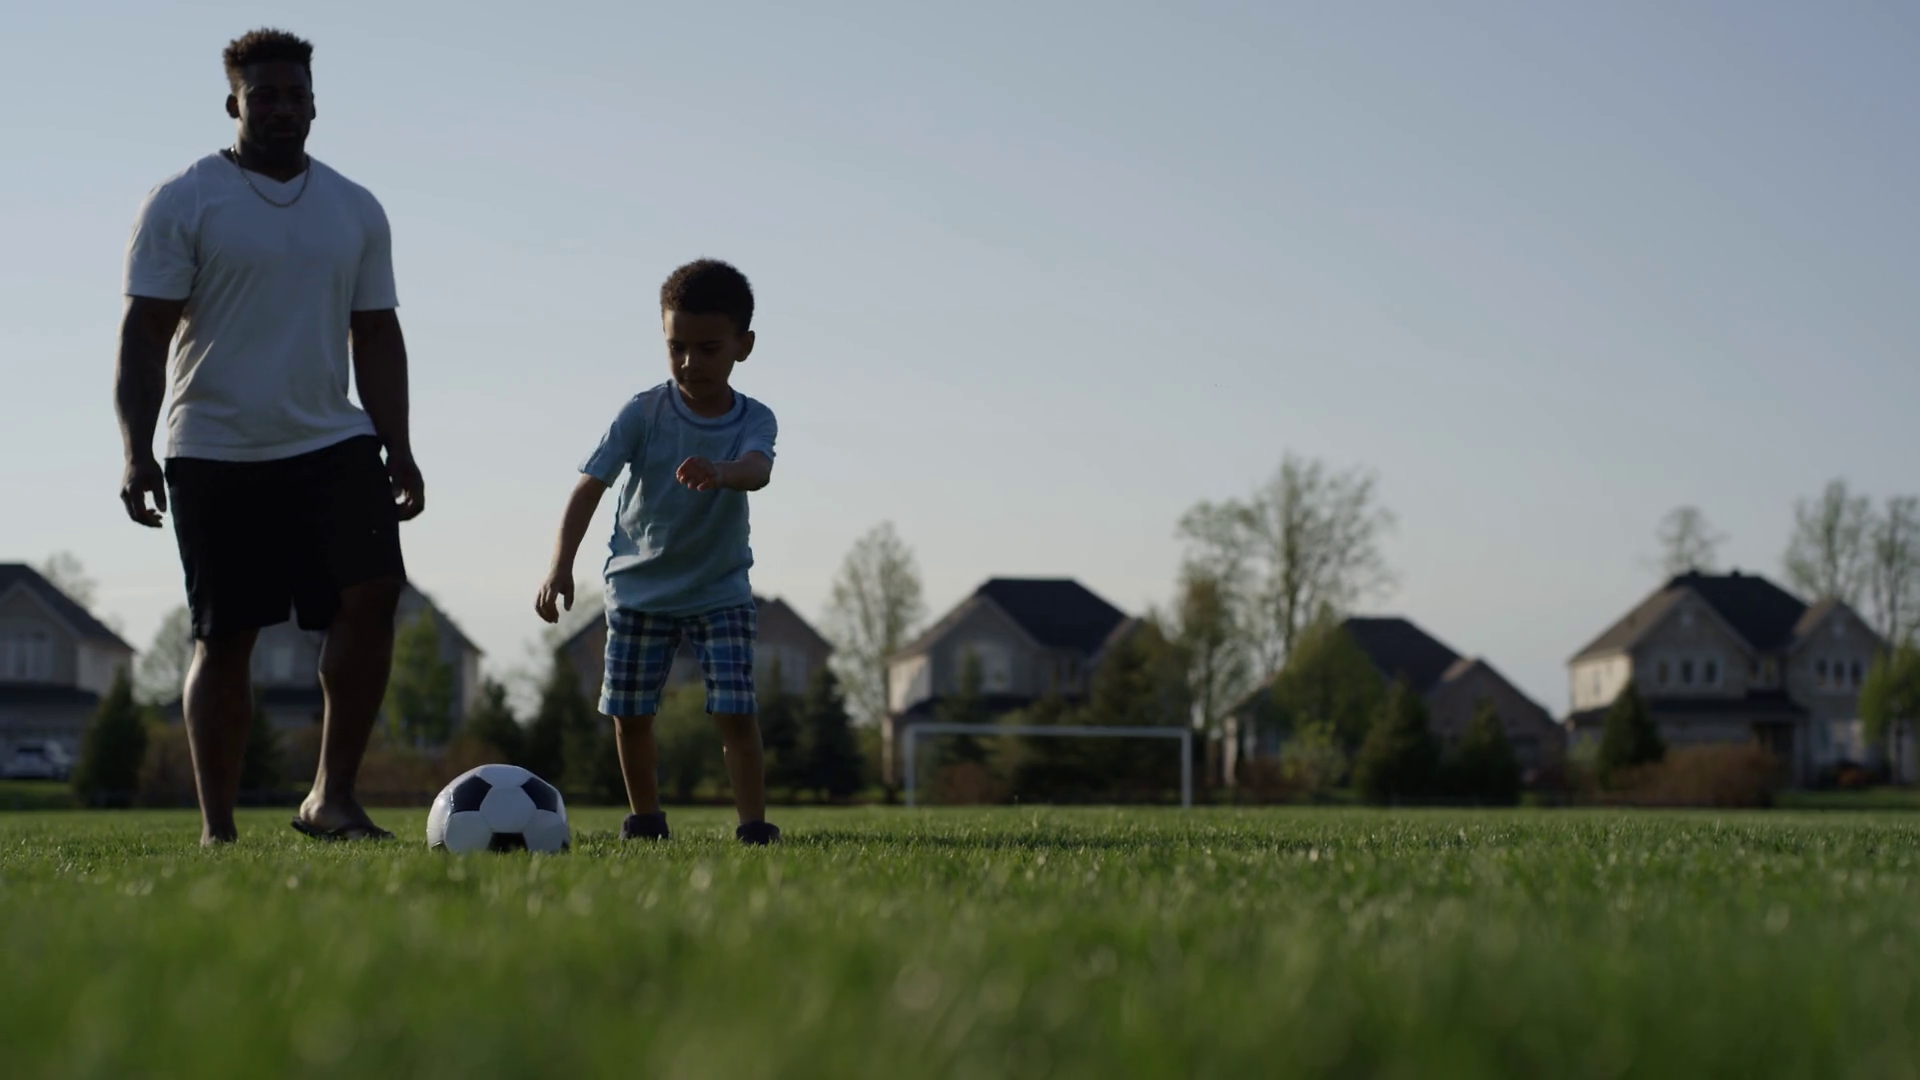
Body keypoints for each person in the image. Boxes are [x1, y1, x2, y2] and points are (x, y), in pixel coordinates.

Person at [115, 28, 423, 845]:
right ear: (235, 104)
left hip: (331, 440)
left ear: (314, 103)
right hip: (215, 445)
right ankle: (219, 829)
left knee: (375, 593)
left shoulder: (355, 208)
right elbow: (145, 335)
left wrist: (400, 445)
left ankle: (332, 796)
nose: (283, 107)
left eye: (295, 94)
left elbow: (377, 334)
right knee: (227, 637)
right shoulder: (185, 199)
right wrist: (136, 450)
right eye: (265, 95)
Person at [535, 259, 781, 845]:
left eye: (709, 347)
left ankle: (753, 827)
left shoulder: (754, 418)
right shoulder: (642, 413)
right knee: (631, 713)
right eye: (678, 347)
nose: (691, 362)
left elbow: (758, 471)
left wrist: (720, 472)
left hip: (719, 591)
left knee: (735, 712)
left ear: (743, 346)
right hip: (640, 590)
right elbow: (589, 486)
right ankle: (646, 821)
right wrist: (560, 566)